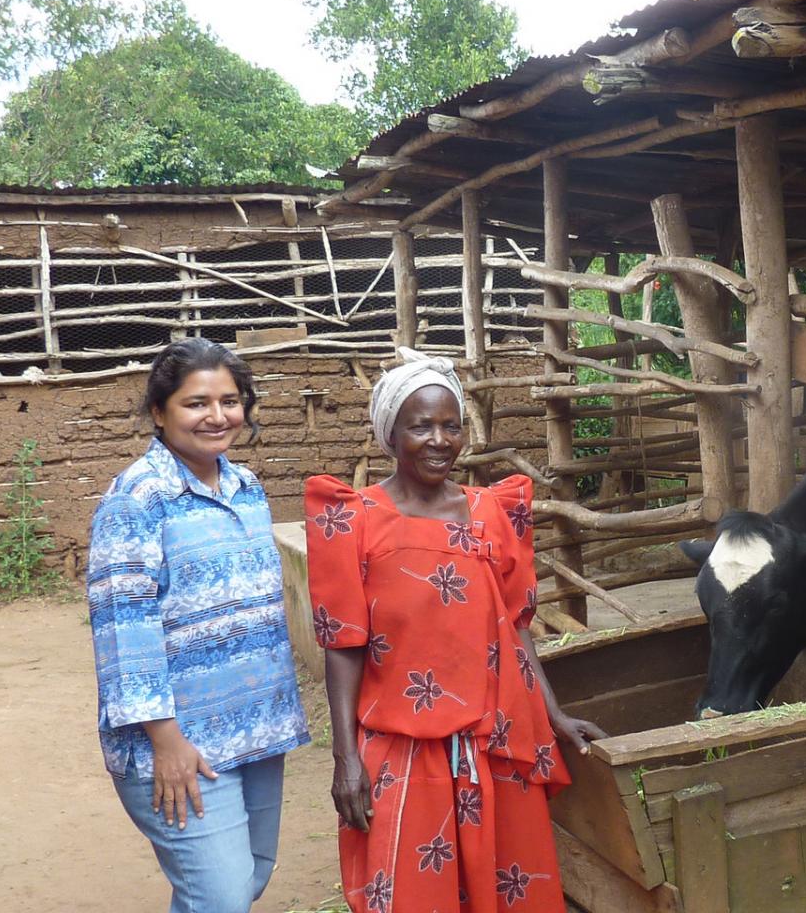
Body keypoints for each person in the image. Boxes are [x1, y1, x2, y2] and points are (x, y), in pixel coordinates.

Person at [305, 347, 605, 913]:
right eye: (421, 427)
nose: (439, 440)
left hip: (493, 742)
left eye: (451, 425)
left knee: (504, 890)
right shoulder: (355, 519)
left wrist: (553, 712)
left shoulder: (492, 511)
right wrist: (346, 759)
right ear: (389, 434)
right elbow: (343, 645)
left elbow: (515, 629)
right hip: (403, 748)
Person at [86, 338, 311, 913]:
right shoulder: (137, 500)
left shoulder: (247, 489)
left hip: (255, 727)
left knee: (250, 877)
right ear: (159, 413)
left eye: (230, 401)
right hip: (182, 742)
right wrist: (166, 742)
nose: (217, 417)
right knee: (222, 895)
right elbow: (123, 631)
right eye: (196, 403)